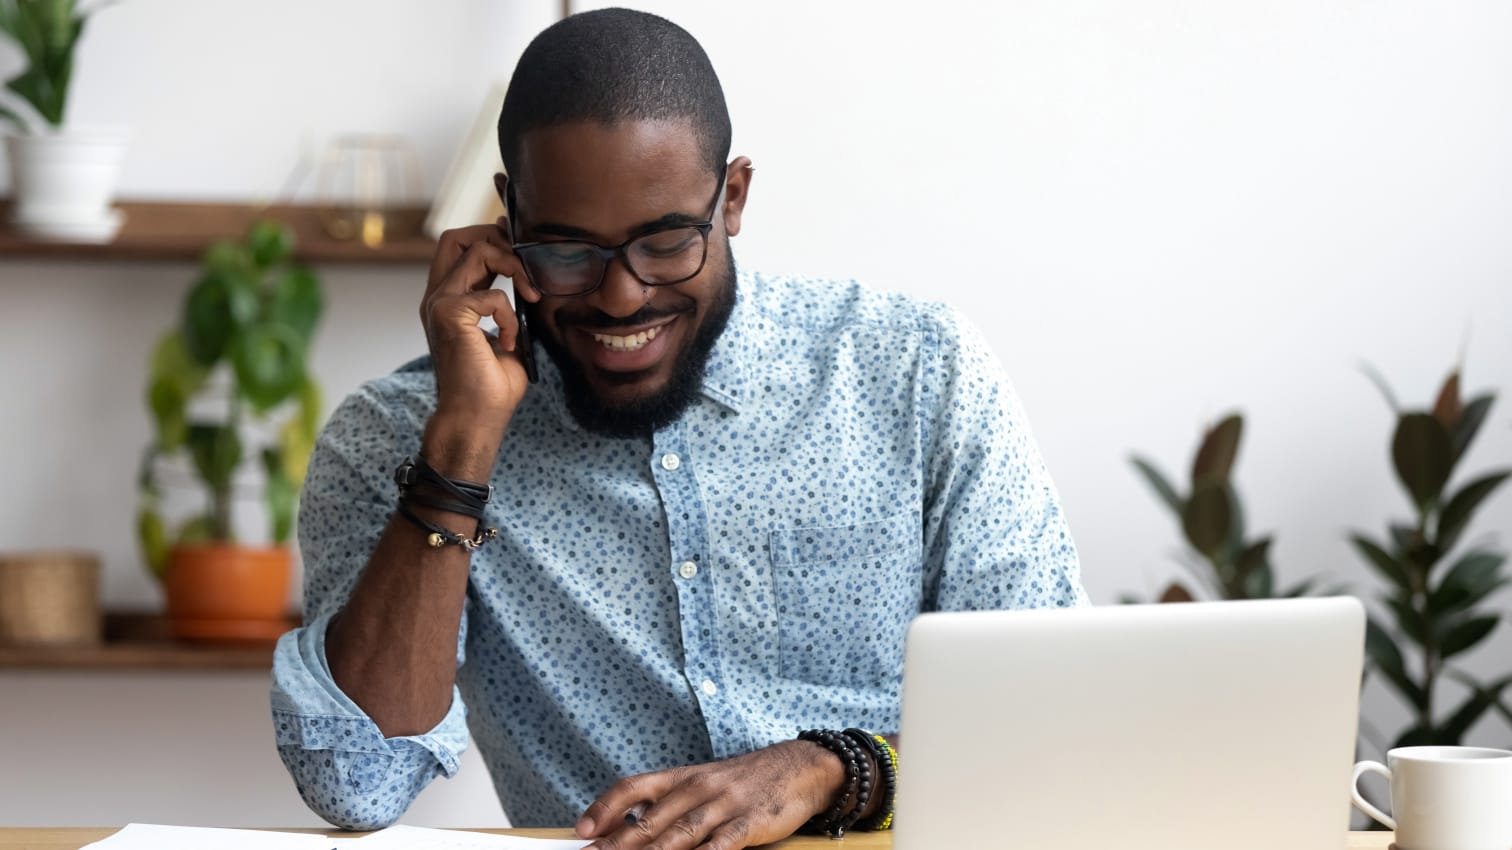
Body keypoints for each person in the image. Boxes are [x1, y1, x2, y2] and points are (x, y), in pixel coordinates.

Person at [271, 7, 1086, 849]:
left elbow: (1058, 714)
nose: (620, 296)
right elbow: (355, 783)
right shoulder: (397, 436)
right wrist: (461, 448)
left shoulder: (916, 372)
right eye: (566, 248)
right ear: (507, 220)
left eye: (664, 243)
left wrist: (828, 768)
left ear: (731, 198)